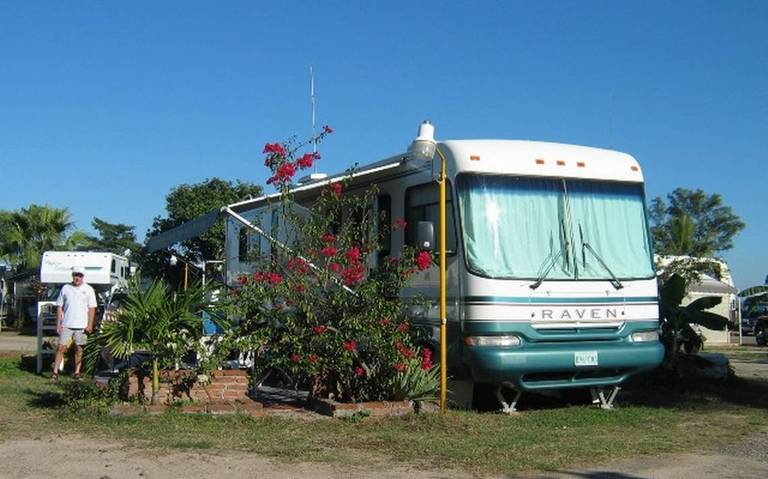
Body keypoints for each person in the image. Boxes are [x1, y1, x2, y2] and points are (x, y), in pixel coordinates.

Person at [52, 265, 97, 380]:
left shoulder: (88, 289)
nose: (77, 278)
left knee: (79, 349)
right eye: (76, 275)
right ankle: (55, 372)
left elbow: (92, 308)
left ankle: (77, 372)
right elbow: (59, 307)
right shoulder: (65, 288)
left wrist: (90, 324)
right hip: (66, 324)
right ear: (73, 276)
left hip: (81, 325)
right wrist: (58, 324)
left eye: (80, 275)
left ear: (83, 277)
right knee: (61, 347)